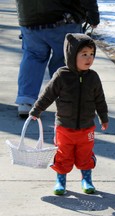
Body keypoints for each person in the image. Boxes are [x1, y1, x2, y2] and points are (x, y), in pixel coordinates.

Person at [29, 33, 109, 195]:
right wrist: (37, 110)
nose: (89, 58)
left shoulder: (93, 77)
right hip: (64, 127)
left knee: (85, 155)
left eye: (92, 54)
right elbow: (48, 95)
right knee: (63, 155)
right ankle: (61, 180)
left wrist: (103, 117)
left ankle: (86, 179)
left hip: (86, 127)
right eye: (84, 54)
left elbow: (99, 99)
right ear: (72, 55)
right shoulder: (62, 75)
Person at [15, 0, 100, 118]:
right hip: (64, 17)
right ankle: (67, 100)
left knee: (33, 57)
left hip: (29, 17)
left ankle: (26, 101)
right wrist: (93, 15)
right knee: (65, 59)